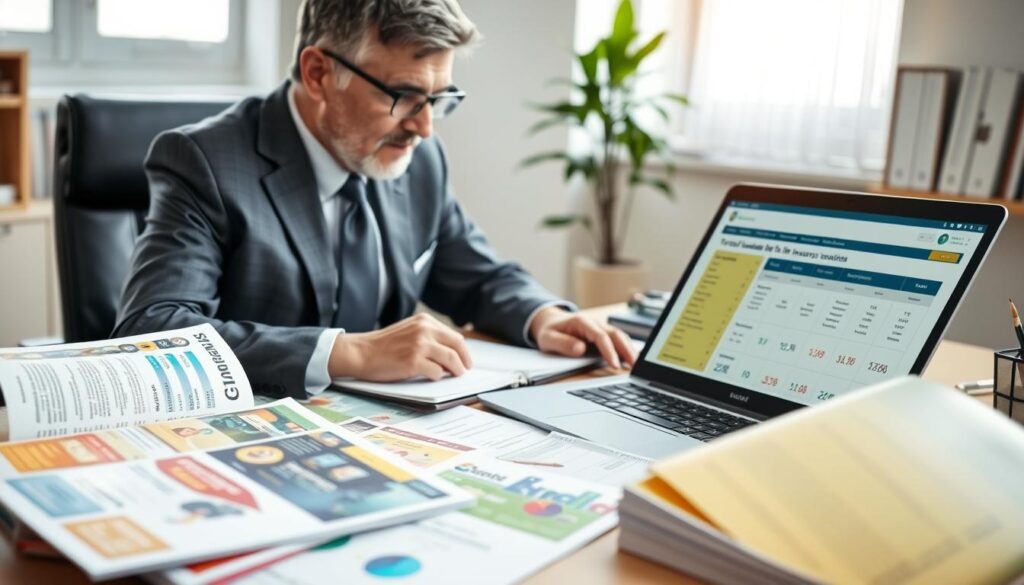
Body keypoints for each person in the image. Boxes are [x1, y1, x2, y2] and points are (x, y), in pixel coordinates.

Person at [114, 0, 635, 399]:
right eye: (404, 95)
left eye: (439, 98)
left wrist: (543, 315)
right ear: (319, 73)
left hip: (392, 431)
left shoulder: (418, 160)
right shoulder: (204, 161)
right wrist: (350, 353)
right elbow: (153, 328)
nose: (425, 127)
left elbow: (475, 273)